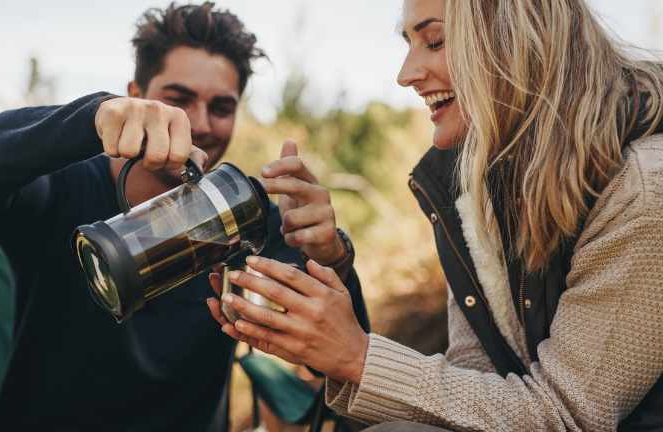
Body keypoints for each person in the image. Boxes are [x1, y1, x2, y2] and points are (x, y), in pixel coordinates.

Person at [208, 0, 663, 430]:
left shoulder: (644, 188)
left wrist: (358, 357)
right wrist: (328, 274)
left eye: (435, 41)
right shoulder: (471, 193)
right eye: (408, 43)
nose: (406, 74)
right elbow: (473, 388)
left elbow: (567, 414)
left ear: (517, 41)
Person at [0, 3, 368, 431]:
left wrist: (332, 257)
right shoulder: (60, 192)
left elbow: (346, 364)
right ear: (136, 96)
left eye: (221, 107)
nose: (199, 123)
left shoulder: (249, 222)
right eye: (177, 99)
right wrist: (94, 116)